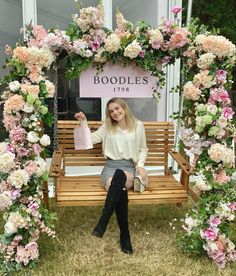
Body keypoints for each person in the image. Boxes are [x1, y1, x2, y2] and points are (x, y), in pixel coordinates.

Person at [74, 98, 148, 255]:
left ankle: (103, 222)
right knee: (119, 189)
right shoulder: (107, 127)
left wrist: (140, 166)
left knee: (120, 178)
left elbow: (143, 149)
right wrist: (84, 122)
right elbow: (90, 140)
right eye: (111, 111)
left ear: (124, 107)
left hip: (128, 168)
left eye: (117, 108)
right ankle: (125, 235)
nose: (115, 113)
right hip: (110, 168)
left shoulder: (138, 125)